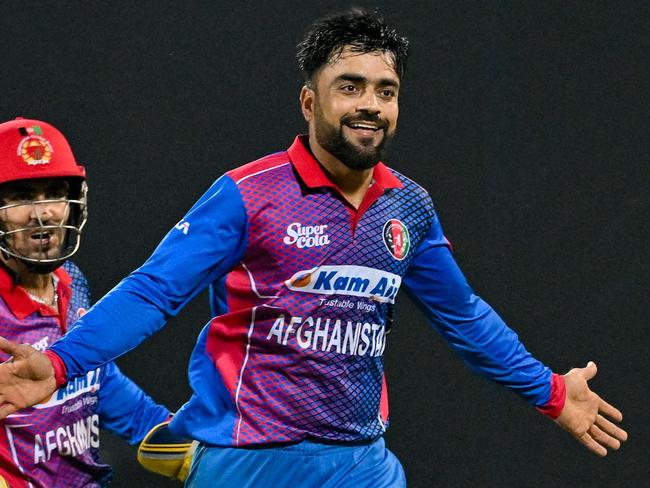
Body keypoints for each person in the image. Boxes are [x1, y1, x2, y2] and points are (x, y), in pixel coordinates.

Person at [0, 10, 627, 487]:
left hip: (364, 463)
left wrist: (547, 391)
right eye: (350, 87)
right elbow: (155, 290)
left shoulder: (409, 206)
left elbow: (463, 315)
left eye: (385, 90)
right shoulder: (248, 195)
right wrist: (61, 365)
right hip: (252, 463)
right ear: (309, 101)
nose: (370, 106)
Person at [0, 117, 172, 487]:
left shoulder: (70, 280)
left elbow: (96, 377)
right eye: (21, 197)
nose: (41, 214)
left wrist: (166, 434)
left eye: (53, 193)